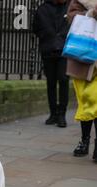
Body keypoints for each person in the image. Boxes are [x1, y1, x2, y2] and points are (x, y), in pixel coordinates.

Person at [67, 0, 97, 162]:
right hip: (84, 53)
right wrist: (91, 13)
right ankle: (84, 141)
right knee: (86, 101)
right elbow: (71, 17)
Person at [33, 0, 70, 127]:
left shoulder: (69, 7)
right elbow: (36, 28)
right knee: (51, 82)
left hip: (65, 50)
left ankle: (62, 114)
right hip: (48, 50)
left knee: (63, 79)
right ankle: (53, 113)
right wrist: (47, 36)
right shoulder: (42, 9)